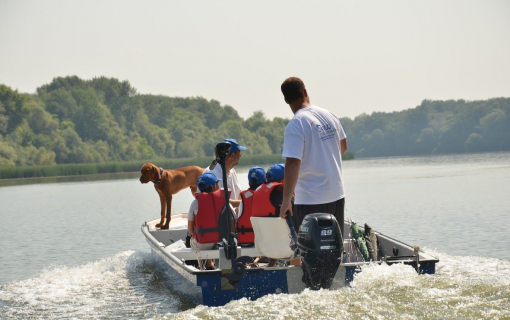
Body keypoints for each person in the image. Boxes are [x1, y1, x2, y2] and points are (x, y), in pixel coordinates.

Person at [279, 77, 348, 237]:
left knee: (311, 252)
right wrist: (324, 160)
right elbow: (342, 148)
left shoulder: (296, 124)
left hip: (310, 199)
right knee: (333, 248)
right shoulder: (330, 115)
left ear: (286, 100)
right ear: (305, 92)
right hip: (337, 195)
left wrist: (286, 200)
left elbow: (292, 164)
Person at [188, 172, 235, 270]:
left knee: (190, 239)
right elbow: (233, 222)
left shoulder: (195, 203)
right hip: (222, 242)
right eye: (217, 184)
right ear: (214, 186)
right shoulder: (223, 201)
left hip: (202, 244)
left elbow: (191, 230)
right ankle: (216, 265)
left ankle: (207, 265)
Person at [203, 138, 246, 208]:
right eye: (239, 152)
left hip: (231, 216)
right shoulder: (212, 175)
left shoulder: (232, 171)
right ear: (232, 156)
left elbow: (239, 194)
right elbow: (222, 203)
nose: (240, 155)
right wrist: (249, 202)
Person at [236, 166, 266, 245]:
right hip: (264, 242)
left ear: (249, 182)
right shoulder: (268, 197)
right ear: (265, 180)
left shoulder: (243, 200)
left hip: (246, 242)